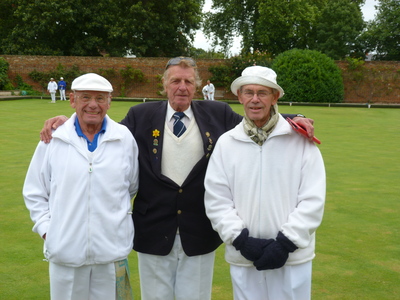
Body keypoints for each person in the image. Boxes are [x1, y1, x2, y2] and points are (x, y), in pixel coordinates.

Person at [40, 57, 315, 300]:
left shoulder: (217, 113)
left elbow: (254, 118)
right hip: (152, 230)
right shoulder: (140, 115)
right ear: (165, 84)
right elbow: (104, 132)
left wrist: (294, 118)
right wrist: (69, 121)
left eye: (187, 81)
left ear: (196, 85)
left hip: (199, 231)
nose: (181, 87)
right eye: (175, 81)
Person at [204, 66, 326, 300]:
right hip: (244, 257)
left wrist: (285, 244)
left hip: (292, 258)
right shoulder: (226, 143)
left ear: (275, 97)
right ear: (239, 97)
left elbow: (312, 200)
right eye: (248, 92)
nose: (255, 99)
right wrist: (240, 240)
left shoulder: (301, 142)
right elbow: (216, 200)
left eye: (262, 92)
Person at [23, 73, 139, 300]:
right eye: (85, 97)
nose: (93, 105)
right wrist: (49, 231)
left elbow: (131, 186)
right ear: (73, 100)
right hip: (65, 253)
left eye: (100, 98)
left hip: (111, 253)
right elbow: (34, 191)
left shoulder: (124, 138)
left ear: (109, 102)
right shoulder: (53, 138)